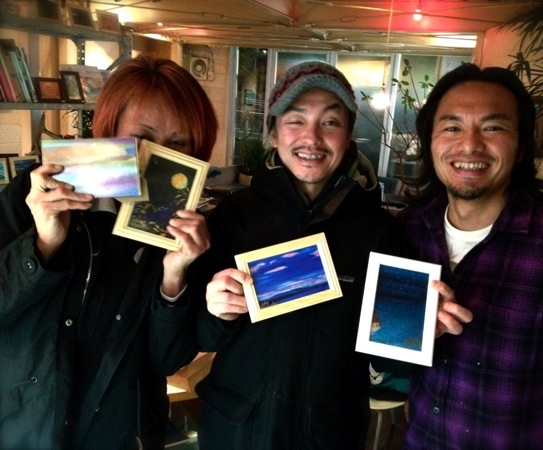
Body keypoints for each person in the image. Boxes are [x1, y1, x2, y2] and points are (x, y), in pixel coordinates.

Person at [191, 61, 472, 449]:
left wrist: (422, 331)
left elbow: (391, 362)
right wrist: (216, 310)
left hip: (329, 433)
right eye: (296, 120)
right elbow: (201, 335)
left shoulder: (378, 230)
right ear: (272, 133)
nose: (312, 138)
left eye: (330, 122)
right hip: (236, 427)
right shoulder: (234, 216)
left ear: (348, 136)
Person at [0, 54, 218, 449]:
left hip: (121, 435)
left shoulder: (189, 231)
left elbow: (168, 361)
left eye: (177, 143)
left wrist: (174, 277)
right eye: (142, 140)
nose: (155, 159)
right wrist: (43, 245)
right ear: (109, 130)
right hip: (22, 428)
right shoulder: (34, 197)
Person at [395, 63, 543, 449]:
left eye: (492, 128)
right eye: (452, 127)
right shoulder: (406, 233)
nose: (469, 145)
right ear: (429, 141)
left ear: (521, 147)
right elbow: (388, 349)